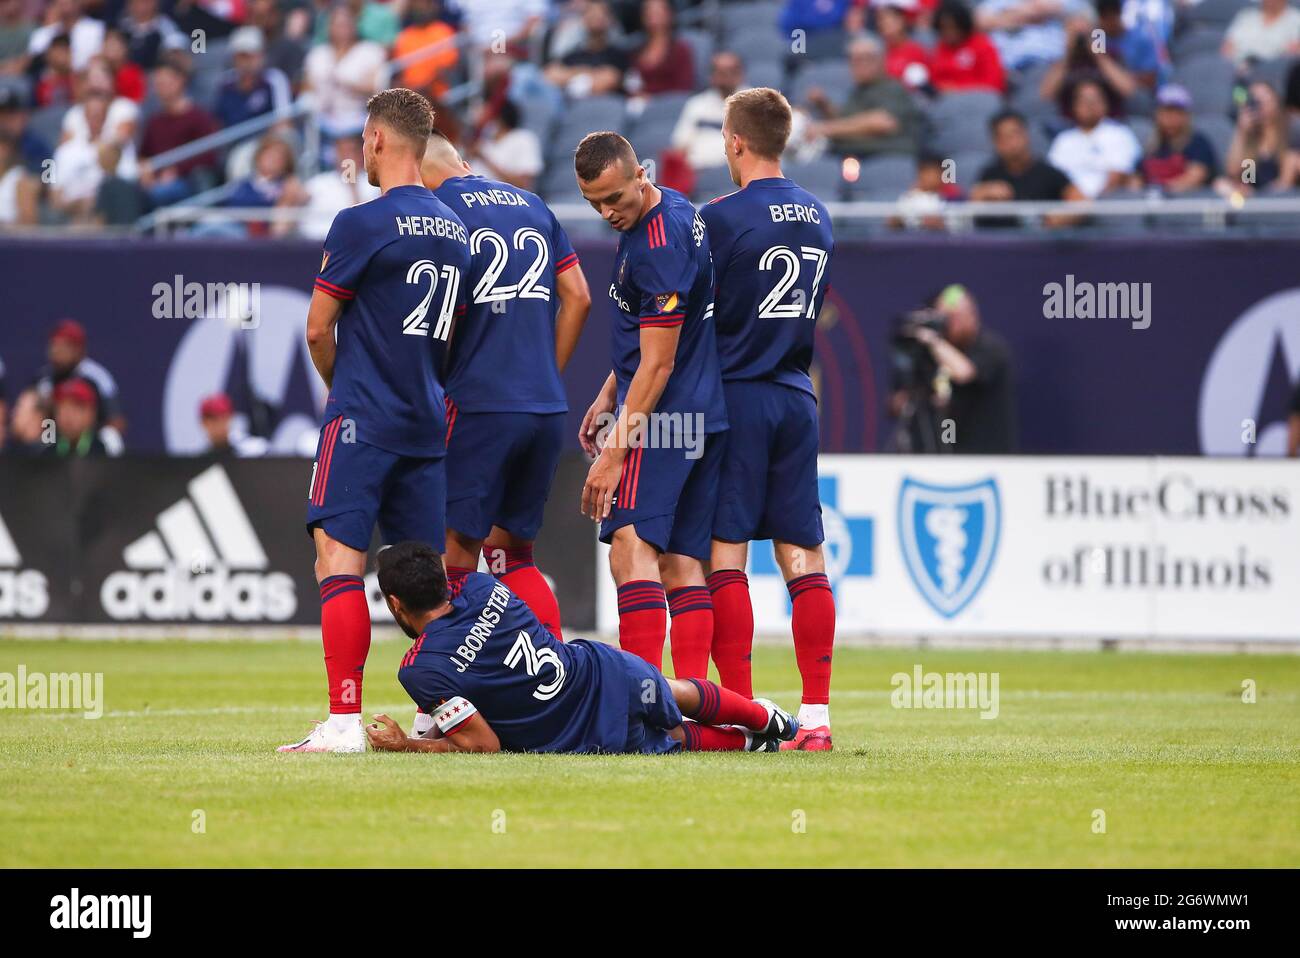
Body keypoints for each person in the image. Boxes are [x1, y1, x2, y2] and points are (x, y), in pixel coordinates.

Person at [278, 89, 471, 755]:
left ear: (379, 143)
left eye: (365, 137)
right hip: (425, 421)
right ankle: (437, 716)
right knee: (425, 581)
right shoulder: (456, 229)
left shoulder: (359, 222)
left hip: (363, 417)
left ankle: (341, 722)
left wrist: (345, 391)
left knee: (338, 559)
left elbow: (315, 330)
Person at [357, 542, 800, 755]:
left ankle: (750, 746)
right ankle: (767, 718)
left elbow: (483, 745)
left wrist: (408, 746)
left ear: (394, 603)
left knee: (675, 738)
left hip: (576, 731)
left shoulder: (421, 669)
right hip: (601, 670)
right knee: (672, 689)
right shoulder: (479, 584)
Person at [699, 87, 837, 751]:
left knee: (726, 554)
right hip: (795, 394)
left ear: (735, 141)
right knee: (804, 555)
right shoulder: (819, 216)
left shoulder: (719, 218)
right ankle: (816, 720)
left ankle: (741, 714)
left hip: (738, 395)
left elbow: (694, 314)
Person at [421, 130, 592, 651]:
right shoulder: (531, 203)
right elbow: (580, 297)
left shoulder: (436, 214)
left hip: (477, 403)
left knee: (452, 553)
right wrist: (546, 370)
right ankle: (563, 680)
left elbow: (437, 318)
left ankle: (445, 699)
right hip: (542, 405)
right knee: (515, 556)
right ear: (463, 160)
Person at [572, 131, 728, 677]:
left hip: (665, 420)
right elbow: (652, 341)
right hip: (699, 414)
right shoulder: (672, 209)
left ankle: (641, 699)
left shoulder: (658, 246)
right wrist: (609, 389)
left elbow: (659, 363)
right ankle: (688, 703)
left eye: (615, 197)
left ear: (641, 174)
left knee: (629, 545)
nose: (607, 211)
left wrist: (614, 451)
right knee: (681, 562)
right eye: (594, 202)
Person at [892, 284, 1018, 453]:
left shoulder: (990, 347)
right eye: (943, 318)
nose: (949, 324)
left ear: (971, 315)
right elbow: (898, 403)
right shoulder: (931, 355)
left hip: (987, 456)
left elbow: (964, 372)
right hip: (946, 453)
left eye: (953, 317)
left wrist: (933, 341)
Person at [805, 34, 921, 159]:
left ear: (880, 60)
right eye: (853, 60)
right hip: (852, 157)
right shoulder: (859, 91)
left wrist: (826, 129)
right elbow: (846, 121)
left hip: (887, 158)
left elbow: (884, 122)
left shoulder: (892, 88)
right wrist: (824, 105)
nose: (857, 65)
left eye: (863, 59)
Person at [972, 109, 1082, 226]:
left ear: (1026, 135)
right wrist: (985, 193)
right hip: (998, 241)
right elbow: (970, 206)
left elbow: (1081, 201)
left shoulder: (1047, 173)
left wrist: (1060, 217)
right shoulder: (990, 174)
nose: (1011, 142)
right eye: (1003, 137)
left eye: (1015, 134)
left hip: (1039, 241)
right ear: (995, 142)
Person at [32, 319, 126, 452]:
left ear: (79, 350)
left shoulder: (96, 377)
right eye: (54, 345)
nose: (56, 351)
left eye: (64, 346)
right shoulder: (44, 376)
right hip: (55, 434)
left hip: (91, 436)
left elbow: (116, 420)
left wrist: (88, 431)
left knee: (111, 436)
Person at [137, 61, 220, 206]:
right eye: (158, 84)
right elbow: (145, 153)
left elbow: (209, 156)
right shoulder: (155, 121)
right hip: (156, 180)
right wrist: (146, 171)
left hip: (187, 181)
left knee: (159, 193)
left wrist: (176, 171)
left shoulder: (199, 117)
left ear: (180, 81)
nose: (160, 88)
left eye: (165, 82)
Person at [302, 5, 387, 140]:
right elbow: (307, 86)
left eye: (346, 23)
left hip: (359, 119)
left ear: (355, 25)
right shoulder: (317, 54)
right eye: (337, 24)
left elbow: (379, 88)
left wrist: (347, 84)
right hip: (323, 121)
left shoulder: (371, 51)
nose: (342, 29)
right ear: (329, 27)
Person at [1047, 77, 1141, 197]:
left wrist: (1093, 204)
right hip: (1070, 203)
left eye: (1095, 100)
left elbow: (1119, 174)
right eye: (1084, 100)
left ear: (1105, 104)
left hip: (1107, 202)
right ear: (1074, 106)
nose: (1089, 106)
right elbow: (1055, 177)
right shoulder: (1064, 140)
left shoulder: (1120, 134)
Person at [283, 132, 380, 240]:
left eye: (350, 151)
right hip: (312, 243)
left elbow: (365, 222)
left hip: (351, 243)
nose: (346, 157)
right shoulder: (319, 181)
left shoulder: (372, 184)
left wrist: (353, 186)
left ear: (360, 154)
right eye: (342, 152)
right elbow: (293, 210)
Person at [1220, 80, 1298, 194]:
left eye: (1264, 97)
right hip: (1256, 197)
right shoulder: (1250, 138)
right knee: (1222, 184)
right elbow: (1235, 173)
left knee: (1291, 159)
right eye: (1255, 98)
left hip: (1286, 198)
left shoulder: (1291, 130)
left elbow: (1293, 164)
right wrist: (1241, 132)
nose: (1260, 103)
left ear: (1276, 101)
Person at [671, 50, 745, 171]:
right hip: (699, 174)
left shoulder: (756, 104)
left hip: (739, 175)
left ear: (741, 74)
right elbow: (680, 146)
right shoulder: (696, 104)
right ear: (712, 76)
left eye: (731, 71)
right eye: (721, 72)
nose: (726, 77)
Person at [1140, 84, 1218, 193]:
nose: (1171, 118)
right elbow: (1137, 179)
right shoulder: (1151, 146)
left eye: (1177, 113)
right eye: (1166, 112)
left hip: (1187, 204)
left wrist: (1163, 192)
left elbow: (1195, 176)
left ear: (1187, 116)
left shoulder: (1197, 143)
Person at [544, 0, 628, 98]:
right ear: (583, 19)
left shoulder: (617, 55)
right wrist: (586, 72)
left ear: (611, 20)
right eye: (591, 12)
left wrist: (571, 77)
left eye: (602, 13)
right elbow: (549, 74)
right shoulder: (574, 54)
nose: (596, 16)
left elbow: (609, 79)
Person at [213, 26, 292, 130]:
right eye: (241, 56)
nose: (246, 62)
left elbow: (284, 121)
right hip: (231, 143)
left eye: (250, 55)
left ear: (261, 55)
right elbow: (217, 121)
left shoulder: (275, 79)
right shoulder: (225, 82)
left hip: (265, 141)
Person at [929, 1, 1006, 94]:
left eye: (953, 27)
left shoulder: (981, 44)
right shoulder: (940, 49)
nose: (949, 32)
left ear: (963, 25)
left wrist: (958, 89)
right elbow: (935, 82)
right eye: (943, 28)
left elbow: (995, 84)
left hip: (983, 101)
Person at [469, 99, 543, 191]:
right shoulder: (481, 142)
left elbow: (523, 184)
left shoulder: (523, 139)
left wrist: (484, 158)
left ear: (499, 118)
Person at [631, 0, 694, 95]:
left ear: (670, 14)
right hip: (639, 106)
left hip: (671, 105)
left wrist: (652, 98)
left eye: (658, 10)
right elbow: (631, 83)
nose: (652, 14)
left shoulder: (680, 50)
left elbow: (683, 88)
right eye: (649, 10)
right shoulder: (636, 50)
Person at [1222, 0, 1300, 66]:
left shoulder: (1296, 19)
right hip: (1238, 67)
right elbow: (1227, 48)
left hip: (1273, 71)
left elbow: (1293, 52)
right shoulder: (1246, 16)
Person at [45, 378, 108, 458]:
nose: (68, 416)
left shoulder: (106, 453)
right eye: (62, 408)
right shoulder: (47, 455)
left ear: (92, 413)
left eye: (76, 407)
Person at [197, 392, 269, 457]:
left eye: (224, 417)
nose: (220, 423)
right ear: (203, 422)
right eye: (213, 418)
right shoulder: (199, 461)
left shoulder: (254, 450)